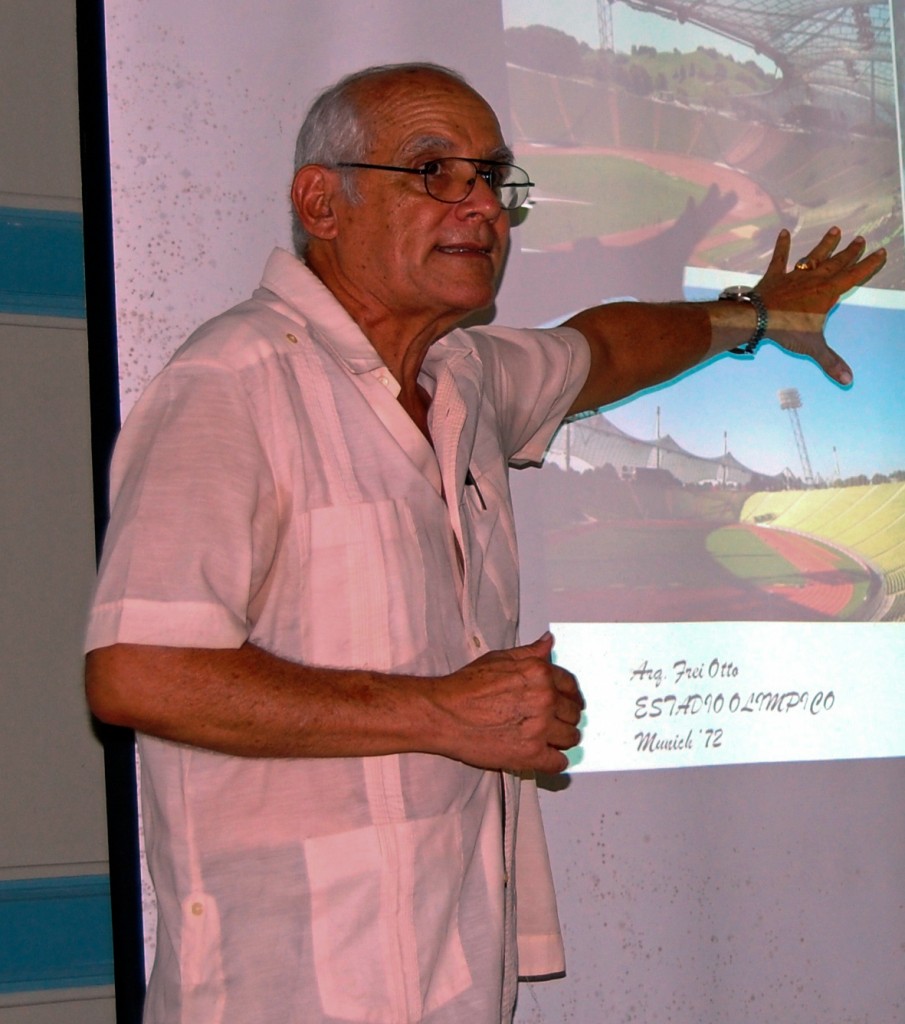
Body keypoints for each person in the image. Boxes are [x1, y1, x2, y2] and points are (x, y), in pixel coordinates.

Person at [85, 62, 885, 1024]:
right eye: (435, 172)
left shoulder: (462, 376)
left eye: (494, 179)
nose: (483, 208)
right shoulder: (234, 381)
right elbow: (138, 672)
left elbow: (608, 346)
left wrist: (757, 315)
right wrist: (441, 711)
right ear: (321, 203)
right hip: (286, 986)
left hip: (458, 973)